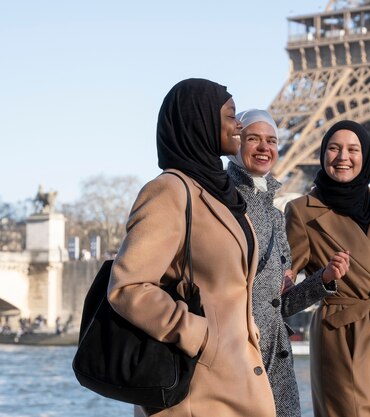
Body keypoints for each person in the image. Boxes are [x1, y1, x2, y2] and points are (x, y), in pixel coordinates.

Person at [107, 79, 275, 417]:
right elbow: (127, 286)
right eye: (230, 115)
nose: (238, 124)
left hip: (235, 376)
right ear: (200, 121)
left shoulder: (221, 195)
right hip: (196, 388)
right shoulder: (169, 191)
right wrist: (199, 335)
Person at [285, 120, 370, 417]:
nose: (342, 156)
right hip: (343, 339)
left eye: (352, 149)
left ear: (366, 155)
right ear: (322, 155)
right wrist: (323, 279)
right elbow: (281, 294)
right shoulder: (302, 211)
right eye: (333, 148)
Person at [226, 109, 348, 417]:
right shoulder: (219, 201)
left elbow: (278, 305)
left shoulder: (277, 216)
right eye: (253, 139)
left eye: (272, 140)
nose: (264, 147)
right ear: (236, 143)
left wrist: (323, 280)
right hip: (234, 357)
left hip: (275, 363)